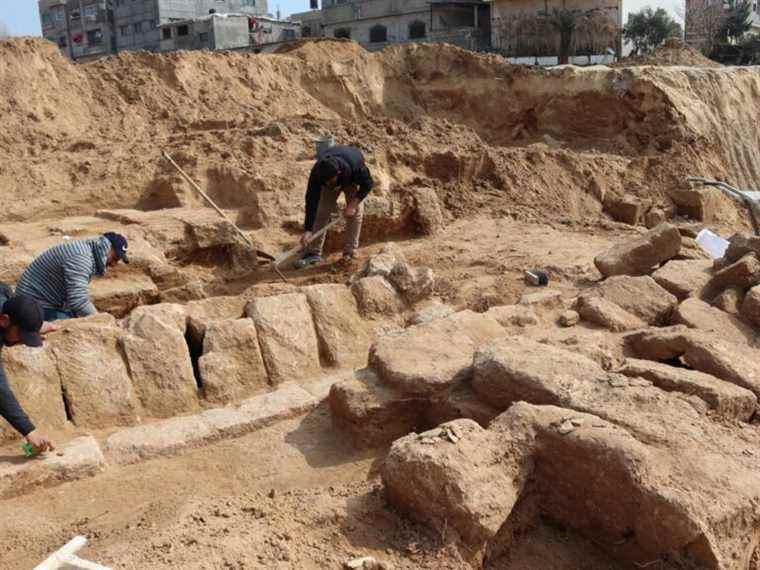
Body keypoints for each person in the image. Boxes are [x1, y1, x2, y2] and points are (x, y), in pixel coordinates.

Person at [15, 232, 129, 321]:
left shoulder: (87, 251)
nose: (114, 264)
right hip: (31, 304)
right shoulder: (82, 258)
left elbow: (76, 299)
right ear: (107, 247)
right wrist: (102, 320)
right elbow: (78, 301)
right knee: (70, 326)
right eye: (115, 258)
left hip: (40, 300)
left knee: (77, 317)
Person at [295, 145, 374, 269]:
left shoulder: (356, 166)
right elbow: (311, 200)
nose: (327, 183)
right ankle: (313, 253)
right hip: (332, 179)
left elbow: (368, 184)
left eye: (330, 180)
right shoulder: (318, 172)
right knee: (321, 212)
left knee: (355, 213)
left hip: (351, 178)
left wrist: (353, 204)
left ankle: (350, 252)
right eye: (324, 181)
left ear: (338, 173)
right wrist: (308, 229)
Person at [0, 285, 56, 453]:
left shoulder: (6, 297)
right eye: (23, 335)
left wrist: (32, 326)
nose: (23, 341)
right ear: (3, 320)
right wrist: (29, 431)